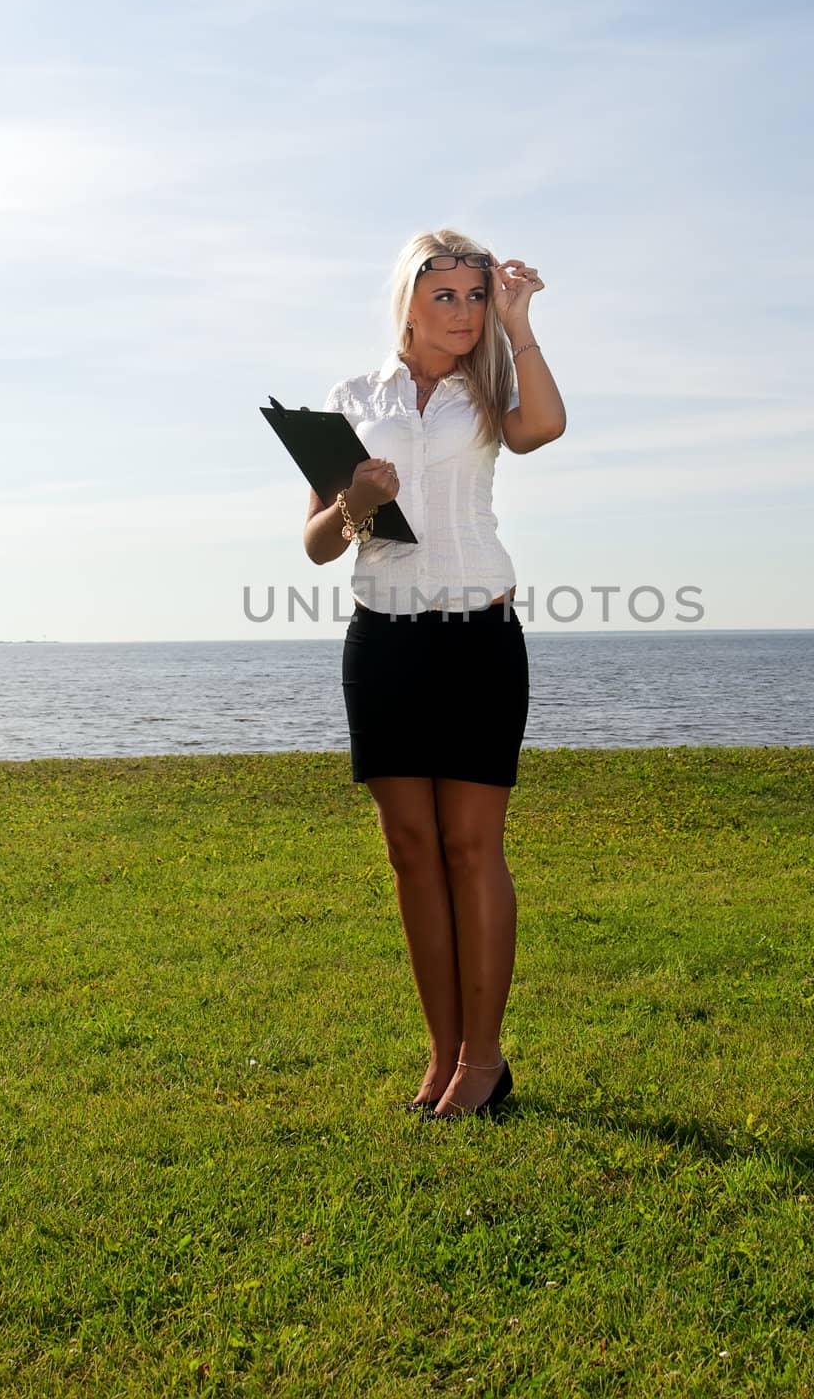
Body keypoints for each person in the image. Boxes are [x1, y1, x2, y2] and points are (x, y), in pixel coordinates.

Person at [303, 228, 566, 1120]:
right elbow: (315, 545)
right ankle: (444, 1054)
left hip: (476, 640)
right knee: (412, 852)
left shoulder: (491, 387)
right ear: (408, 300)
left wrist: (521, 324)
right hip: (381, 641)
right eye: (445, 296)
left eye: (476, 297)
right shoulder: (350, 397)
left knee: (469, 847)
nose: (462, 313)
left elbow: (545, 427)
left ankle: (486, 1062)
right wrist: (356, 504)